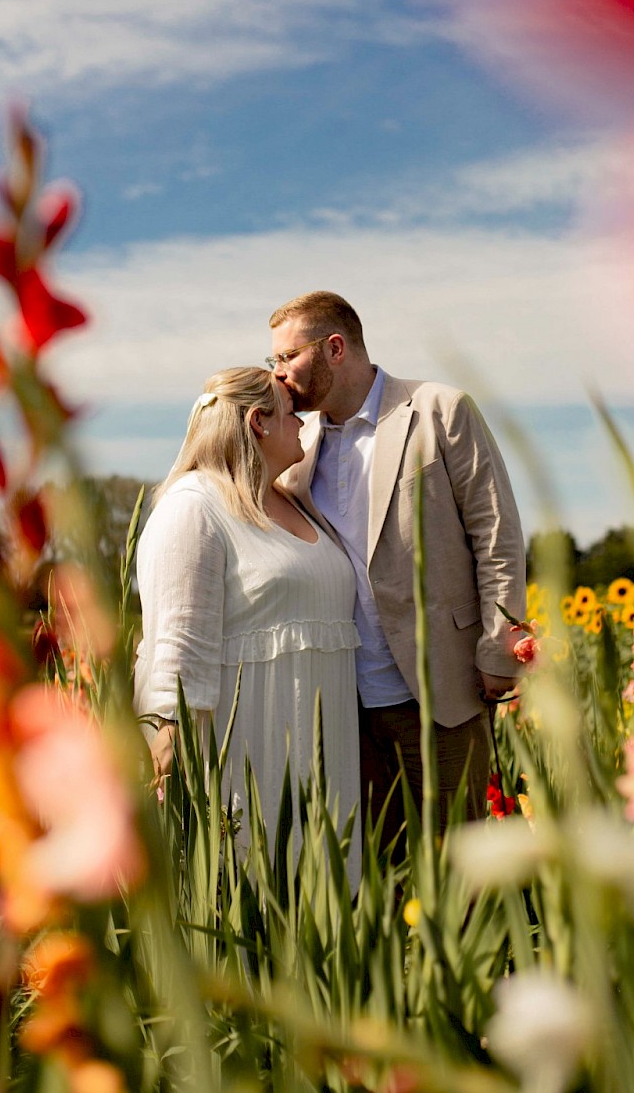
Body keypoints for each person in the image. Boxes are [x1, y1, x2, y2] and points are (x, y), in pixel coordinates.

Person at [266, 291, 526, 835]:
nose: (279, 373)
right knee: (376, 879)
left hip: (441, 690)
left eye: (287, 357)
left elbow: (495, 532)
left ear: (334, 348)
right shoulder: (297, 444)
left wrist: (500, 645)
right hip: (342, 702)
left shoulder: (439, 409)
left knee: (460, 873)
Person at [133, 367, 361, 883]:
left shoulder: (290, 499)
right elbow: (176, 644)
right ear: (258, 422)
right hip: (250, 757)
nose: (304, 424)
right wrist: (168, 750)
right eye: (291, 413)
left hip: (324, 754)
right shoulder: (194, 508)